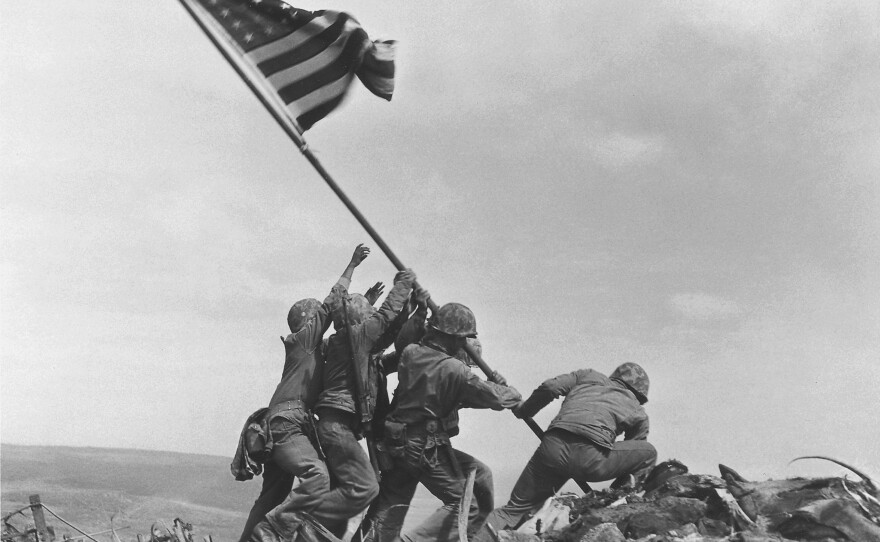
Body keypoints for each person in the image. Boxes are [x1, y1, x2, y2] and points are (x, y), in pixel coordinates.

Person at [357, 303, 522, 542]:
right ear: (453, 337)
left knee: (391, 505)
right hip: (424, 446)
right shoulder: (455, 370)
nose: (463, 343)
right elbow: (497, 398)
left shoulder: (411, 353)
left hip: (397, 443)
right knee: (465, 505)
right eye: (463, 338)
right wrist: (507, 389)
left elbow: (464, 397)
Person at [242, 244, 371, 542]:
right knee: (319, 476)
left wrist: (364, 306)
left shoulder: (312, 350)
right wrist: (351, 266)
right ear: (308, 321)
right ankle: (274, 533)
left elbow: (344, 333)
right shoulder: (302, 341)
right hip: (288, 424)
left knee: (272, 496)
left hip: (280, 424)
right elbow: (331, 303)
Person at [473, 363, 657, 542]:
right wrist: (615, 492)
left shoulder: (588, 376)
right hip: (591, 459)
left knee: (512, 510)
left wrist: (524, 410)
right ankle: (614, 502)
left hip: (552, 448)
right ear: (639, 394)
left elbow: (550, 387)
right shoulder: (638, 411)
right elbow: (633, 452)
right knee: (648, 453)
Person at [312, 267, 419, 536]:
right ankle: (298, 519)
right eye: (367, 315)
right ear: (360, 320)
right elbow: (385, 318)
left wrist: (412, 309)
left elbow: (390, 334)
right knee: (366, 488)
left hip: (338, 426)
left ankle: (315, 531)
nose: (372, 320)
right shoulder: (356, 337)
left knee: (343, 497)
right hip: (337, 426)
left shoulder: (348, 344)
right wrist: (403, 284)